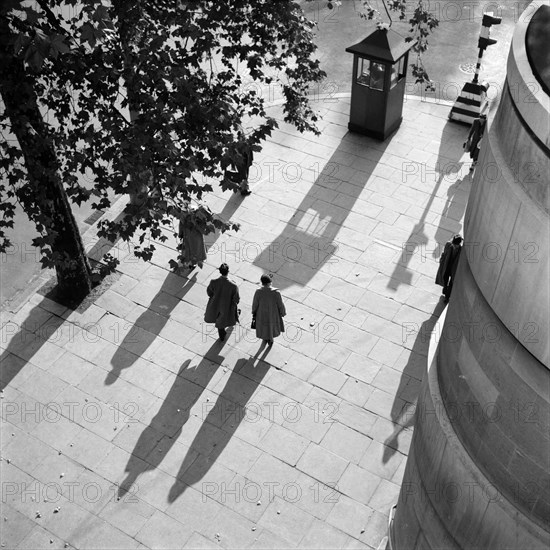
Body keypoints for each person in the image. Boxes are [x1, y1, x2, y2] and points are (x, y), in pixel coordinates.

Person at [204, 263, 240, 341]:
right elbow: (236, 299)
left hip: (215, 304)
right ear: (228, 271)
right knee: (225, 318)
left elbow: (209, 292)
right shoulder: (233, 285)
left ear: (220, 271)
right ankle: (222, 332)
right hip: (227, 306)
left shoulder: (213, 282)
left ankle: (222, 334)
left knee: (219, 318)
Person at [252, 274, 286, 346]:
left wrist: (254, 311)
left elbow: (255, 303)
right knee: (271, 326)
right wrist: (283, 313)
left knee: (264, 326)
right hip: (273, 314)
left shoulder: (258, 292)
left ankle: (266, 338)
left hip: (261, 314)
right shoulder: (276, 293)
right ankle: (270, 339)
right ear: (269, 282)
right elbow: (280, 304)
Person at [178, 204, 209, 269]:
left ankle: (193, 263)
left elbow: (203, 230)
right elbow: (181, 223)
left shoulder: (199, 217)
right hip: (191, 237)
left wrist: (180, 233)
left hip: (193, 237)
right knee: (194, 251)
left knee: (192, 250)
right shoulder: (187, 214)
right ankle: (192, 263)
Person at [435, 235, 463, 303]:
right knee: (445, 278)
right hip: (447, 266)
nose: (455, 247)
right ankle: (445, 288)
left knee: (451, 283)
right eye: (454, 245)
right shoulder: (448, 244)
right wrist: (441, 260)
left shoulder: (461, 249)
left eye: (456, 245)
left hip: (454, 268)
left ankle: (447, 297)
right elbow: (444, 253)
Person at [226, 127, 253, 196]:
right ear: (239, 138)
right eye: (242, 137)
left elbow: (250, 152)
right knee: (243, 176)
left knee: (245, 176)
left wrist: (251, 161)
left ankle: (242, 187)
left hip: (246, 162)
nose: (243, 138)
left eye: (244, 136)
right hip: (240, 163)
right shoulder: (237, 146)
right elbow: (234, 155)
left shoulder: (247, 144)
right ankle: (243, 189)